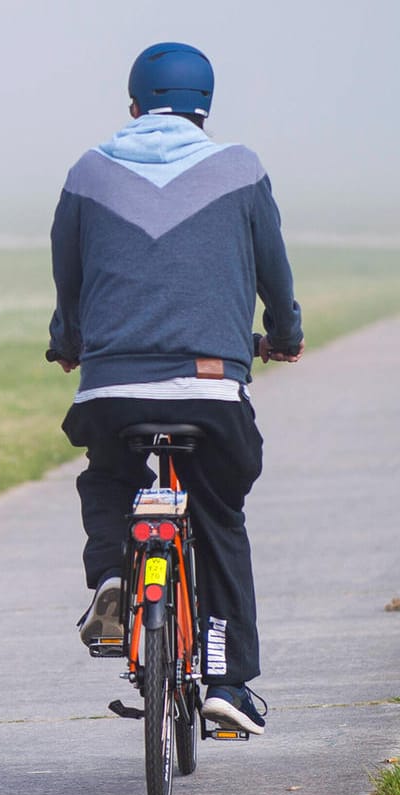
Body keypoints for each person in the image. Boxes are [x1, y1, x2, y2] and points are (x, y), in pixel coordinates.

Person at [51, 41, 302, 735]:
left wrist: (69, 345)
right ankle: (227, 680)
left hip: (112, 386)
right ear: (205, 109)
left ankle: (112, 578)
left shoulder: (87, 172)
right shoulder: (241, 169)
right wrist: (283, 334)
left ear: (132, 106)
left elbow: (69, 283)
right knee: (217, 511)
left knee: (108, 478)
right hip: (213, 389)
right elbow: (273, 275)